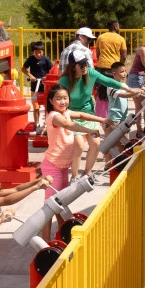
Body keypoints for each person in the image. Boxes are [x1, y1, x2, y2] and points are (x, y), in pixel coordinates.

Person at [59, 49, 138, 176]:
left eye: (86, 64)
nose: (85, 67)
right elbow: (55, 100)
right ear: (73, 67)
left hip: (88, 112)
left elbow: (110, 82)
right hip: (72, 114)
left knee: (96, 144)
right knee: (79, 145)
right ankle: (74, 177)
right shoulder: (64, 81)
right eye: (81, 65)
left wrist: (131, 89)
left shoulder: (90, 73)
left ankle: (87, 174)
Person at [40, 84, 101, 241]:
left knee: (60, 204)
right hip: (52, 166)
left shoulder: (66, 113)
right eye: (58, 99)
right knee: (49, 208)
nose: (63, 102)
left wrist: (102, 119)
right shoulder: (54, 116)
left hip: (61, 167)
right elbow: (68, 125)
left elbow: (81, 115)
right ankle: (46, 243)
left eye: (65, 98)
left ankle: (63, 236)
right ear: (51, 101)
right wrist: (89, 131)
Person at [21, 41, 53, 127]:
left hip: (45, 87)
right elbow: (23, 69)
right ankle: (36, 124)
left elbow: (51, 70)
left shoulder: (46, 59)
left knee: (47, 107)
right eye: (36, 53)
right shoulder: (30, 59)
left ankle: (47, 124)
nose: (38, 54)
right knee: (36, 107)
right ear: (33, 52)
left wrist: (46, 77)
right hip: (35, 87)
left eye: (40, 52)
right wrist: (30, 76)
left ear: (43, 52)